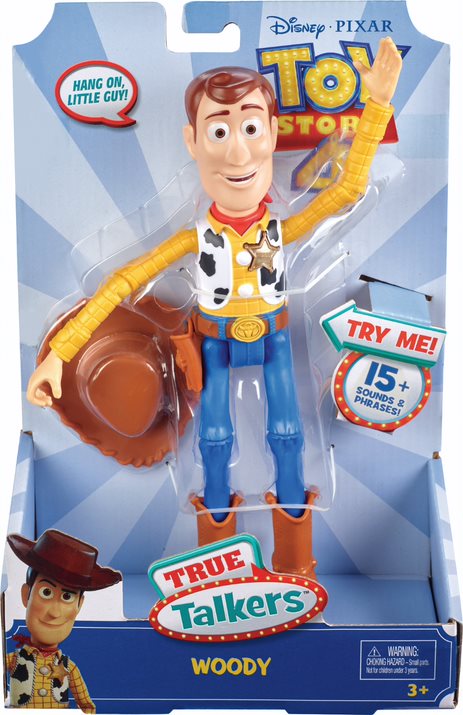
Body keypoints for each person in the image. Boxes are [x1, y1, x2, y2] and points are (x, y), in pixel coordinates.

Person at [27, 39, 402, 577]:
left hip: (273, 335)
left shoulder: (281, 229)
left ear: (271, 132)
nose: (238, 154)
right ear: (193, 141)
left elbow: (348, 190)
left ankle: (296, 568)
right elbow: (122, 282)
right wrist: (59, 355)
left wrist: (377, 104)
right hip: (216, 342)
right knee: (215, 439)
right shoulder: (195, 237)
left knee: (288, 435)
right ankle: (219, 571)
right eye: (220, 132)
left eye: (250, 128)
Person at [5, 530, 121, 711]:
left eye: (67, 596)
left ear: (79, 605)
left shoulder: (69, 668)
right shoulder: (12, 660)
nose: (54, 612)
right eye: (46, 592)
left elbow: (87, 705)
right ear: (26, 595)